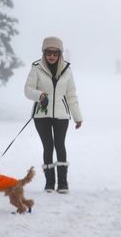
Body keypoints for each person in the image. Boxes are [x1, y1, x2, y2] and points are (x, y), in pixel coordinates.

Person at [24, 36, 83, 194]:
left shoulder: (67, 70)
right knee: (48, 147)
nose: (51, 56)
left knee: (60, 145)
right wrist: (39, 95)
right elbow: (28, 90)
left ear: (59, 54)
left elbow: (71, 95)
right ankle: (50, 184)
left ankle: (63, 184)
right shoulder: (36, 68)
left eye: (55, 53)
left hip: (61, 116)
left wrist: (77, 117)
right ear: (44, 53)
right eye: (48, 52)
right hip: (41, 116)